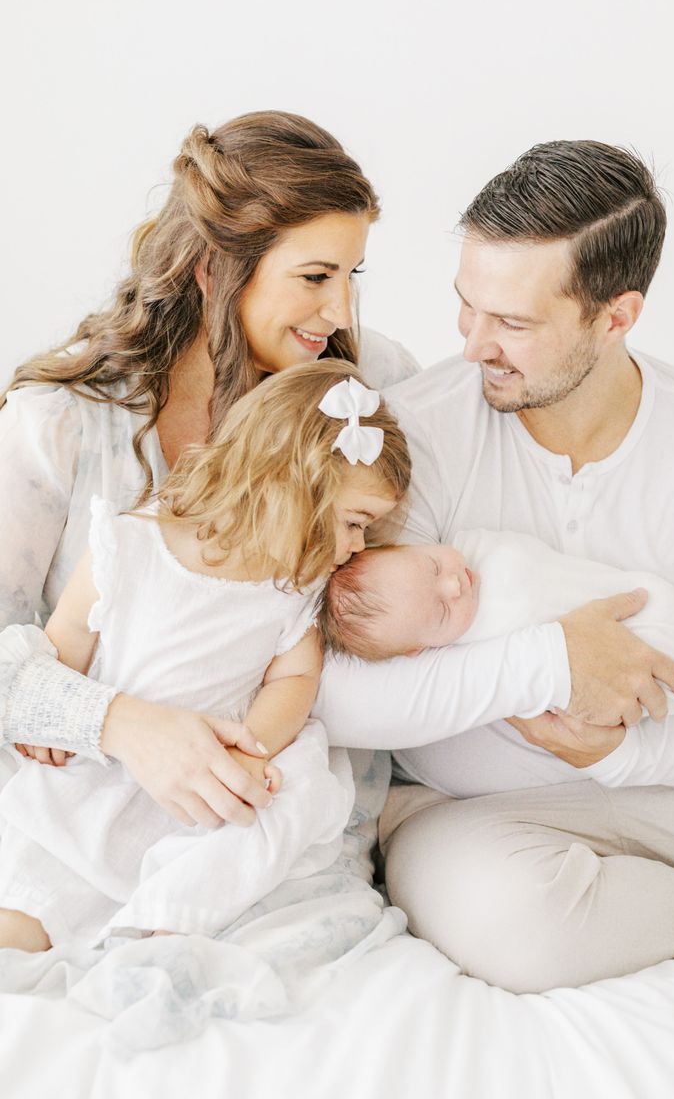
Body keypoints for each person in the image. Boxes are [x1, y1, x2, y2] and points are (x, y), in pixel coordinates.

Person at [312, 140, 674, 993]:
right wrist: (550, 665)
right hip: (474, 813)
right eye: (467, 308)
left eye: (512, 323)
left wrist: (615, 759)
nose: (472, 347)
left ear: (616, 318)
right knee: (523, 930)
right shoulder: (415, 436)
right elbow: (337, 691)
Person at [0, 109, 418, 824]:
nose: (340, 307)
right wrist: (122, 724)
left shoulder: (360, 388)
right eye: (315, 275)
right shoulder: (62, 424)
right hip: (80, 806)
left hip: (270, 807)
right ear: (214, 268)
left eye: (351, 274)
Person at [0, 361, 410, 951]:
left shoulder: (294, 586)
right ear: (287, 483)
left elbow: (295, 678)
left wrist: (252, 749)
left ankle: (165, 922)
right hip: (110, 766)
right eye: (353, 523)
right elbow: (66, 636)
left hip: (217, 778)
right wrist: (57, 715)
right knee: (41, 882)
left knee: (279, 803)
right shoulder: (131, 543)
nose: (356, 548)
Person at [321, 529, 674, 780]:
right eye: (442, 611)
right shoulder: (472, 646)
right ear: (420, 650)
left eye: (433, 566)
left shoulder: (468, 544)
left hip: (641, 606)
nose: (454, 585)